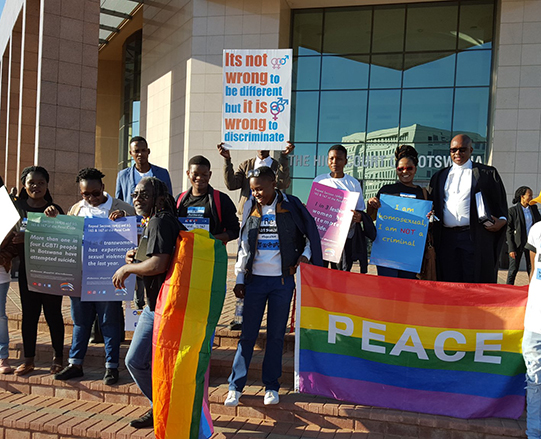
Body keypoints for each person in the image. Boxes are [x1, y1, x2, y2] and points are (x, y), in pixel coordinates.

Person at [224, 166, 322, 407]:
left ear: (273, 184)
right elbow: (244, 246)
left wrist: (307, 256)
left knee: (276, 336)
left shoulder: (291, 205)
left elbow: (310, 234)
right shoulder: (250, 207)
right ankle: (235, 387)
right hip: (255, 281)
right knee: (247, 335)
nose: (256, 193)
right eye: (253, 189)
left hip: (282, 282)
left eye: (260, 189)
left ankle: (271, 386)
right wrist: (239, 279)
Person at [113, 177, 183, 429]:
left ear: (159, 197)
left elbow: (159, 264)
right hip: (156, 306)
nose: (137, 199)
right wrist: (135, 256)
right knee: (142, 362)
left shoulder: (160, 220)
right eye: (135, 194)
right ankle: (161, 407)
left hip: (161, 309)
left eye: (144, 194)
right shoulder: (156, 221)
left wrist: (127, 268)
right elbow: (153, 256)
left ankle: (165, 406)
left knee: (139, 361)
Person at [54, 168, 135, 385]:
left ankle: (111, 367)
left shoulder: (123, 208)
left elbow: (138, 234)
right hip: (80, 275)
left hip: (108, 276)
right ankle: (75, 363)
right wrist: (54, 221)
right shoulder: (76, 210)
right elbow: (66, 236)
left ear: (103, 189)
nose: (91, 198)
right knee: (81, 321)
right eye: (85, 194)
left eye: (95, 193)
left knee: (109, 322)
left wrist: (125, 221)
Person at [427, 134, 508, 283]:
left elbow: (500, 204)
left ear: (471, 150)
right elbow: (431, 204)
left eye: (462, 149)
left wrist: (502, 221)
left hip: (474, 236)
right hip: (446, 237)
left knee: (473, 279)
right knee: (448, 279)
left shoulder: (486, 174)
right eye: (453, 150)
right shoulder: (439, 176)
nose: (457, 153)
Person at [11, 166, 65, 375]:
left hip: (51, 270)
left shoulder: (54, 209)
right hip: (26, 271)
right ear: (24, 184)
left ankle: (58, 358)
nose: (36, 186)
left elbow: (63, 239)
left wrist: (55, 219)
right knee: (29, 316)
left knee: (54, 315)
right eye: (32, 182)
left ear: (47, 185)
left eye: (41, 183)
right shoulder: (17, 209)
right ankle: (28, 359)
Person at [115, 136, 172, 310]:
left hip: (154, 228)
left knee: (151, 264)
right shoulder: (123, 175)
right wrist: (122, 214)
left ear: (148, 151)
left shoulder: (161, 173)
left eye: (143, 150)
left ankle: (151, 306)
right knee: (135, 261)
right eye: (136, 151)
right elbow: (118, 201)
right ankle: (139, 307)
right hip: (133, 228)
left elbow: (168, 198)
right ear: (131, 153)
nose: (140, 154)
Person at [367, 145, 425, 279]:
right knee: (386, 291)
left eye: (409, 168)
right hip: (386, 253)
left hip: (410, 253)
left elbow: (429, 221)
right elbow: (372, 217)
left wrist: (429, 216)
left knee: (406, 292)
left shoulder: (423, 193)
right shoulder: (386, 190)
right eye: (400, 169)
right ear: (396, 170)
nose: (405, 171)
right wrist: (370, 205)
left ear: (415, 169)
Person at [313, 144, 372, 272]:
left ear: (345, 161)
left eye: (339, 159)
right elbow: (315, 208)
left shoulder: (353, 183)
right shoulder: (319, 180)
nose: (335, 162)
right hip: (322, 237)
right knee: (319, 273)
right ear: (327, 160)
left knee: (340, 275)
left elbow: (360, 209)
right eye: (331, 158)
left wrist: (358, 216)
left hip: (343, 240)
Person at [217, 142, 294, 216]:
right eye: (259, 144)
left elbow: (283, 184)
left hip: (271, 213)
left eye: (264, 144)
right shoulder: (246, 165)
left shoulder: (277, 166)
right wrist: (227, 160)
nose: (261, 148)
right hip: (247, 214)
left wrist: (284, 157)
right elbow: (232, 185)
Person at [176, 155, 239, 244]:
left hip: (212, 255)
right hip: (184, 256)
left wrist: (210, 239)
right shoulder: (178, 200)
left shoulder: (222, 200)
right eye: (195, 174)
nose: (199, 178)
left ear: (210, 175)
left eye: (204, 175)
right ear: (188, 174)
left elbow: (234, 231)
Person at [521, 220, 541, 438]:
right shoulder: (536, 230)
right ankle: (534, 433)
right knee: (534, 382)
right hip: (535, 323)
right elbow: (534, 273)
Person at [506, 187, 541, 285]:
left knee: (531, 268)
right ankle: (508, 290)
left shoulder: (534, 209)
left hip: (531, 244)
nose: (531, 197)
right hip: (518, 244)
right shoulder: (512, 211)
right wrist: (511, 249)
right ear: (522, 196)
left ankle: (532, 288)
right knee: (513, 269)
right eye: (529, 195)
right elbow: (509, 231)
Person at [0, 176, 14, 374]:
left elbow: (14, 243)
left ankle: (2, 356)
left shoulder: (6, 211)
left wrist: (4, 254)